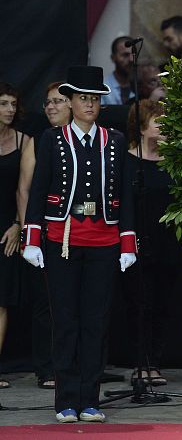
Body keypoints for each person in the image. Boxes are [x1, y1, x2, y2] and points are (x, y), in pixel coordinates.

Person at [22, 66, 138, 423]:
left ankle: (90, 399)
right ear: (70, 102)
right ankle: (65, 400)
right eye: (83, 98)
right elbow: (39, 190)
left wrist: (128, 243)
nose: (90, 104)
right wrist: (33, 237)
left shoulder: (114, 140)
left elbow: (125, 195)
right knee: (66, 321)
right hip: (62, 242)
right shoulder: (52, 139)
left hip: (104, 241)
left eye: (95, 99)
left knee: (96, 321)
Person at [123, 99, 182, 386]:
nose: (164, 126)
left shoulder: (174, 160)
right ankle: (140, 363)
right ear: (141, 125)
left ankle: (155, 363)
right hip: (136, 244)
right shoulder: (126, 161)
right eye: (158, 120)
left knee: (164, 304)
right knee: (139, 305)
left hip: (169, 244)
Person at [17, 81, 72, 389]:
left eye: (58, 101)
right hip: (45, 233)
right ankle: (46, 367)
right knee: (45, 302)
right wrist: (30, 234)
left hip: (77, 234)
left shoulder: (92, 140)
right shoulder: (38, 141)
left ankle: (74, 362)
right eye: (48, 102)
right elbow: (24, 190)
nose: (51, 106)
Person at [0, 82, 30, 389]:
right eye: (4, 103)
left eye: (12, 104)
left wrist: (18, 225)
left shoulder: (24, 140)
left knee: (2, 301)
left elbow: (25, 190)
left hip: (6, 227)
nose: (10, 109)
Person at [102, 36, 135, 105]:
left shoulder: (140, 86)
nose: (131, 59)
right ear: (113, 58)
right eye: (125, 55)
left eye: (134, 55)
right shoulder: (102, 86)